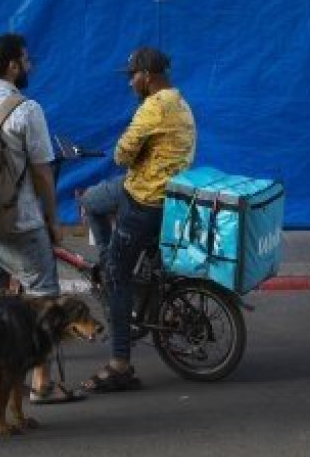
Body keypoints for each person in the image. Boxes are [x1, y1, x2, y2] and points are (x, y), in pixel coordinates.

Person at [0, 33, 79, 404]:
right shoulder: (27, 110)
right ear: (12, 65)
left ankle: (5, 384)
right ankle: (41, 383)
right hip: (21, 225)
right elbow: (42, 172)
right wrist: (53, 219)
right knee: (43, 300)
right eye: (26, 60)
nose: (29, 66)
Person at [80, 46, 196, 394]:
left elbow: (121, 154)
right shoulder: (180, 101)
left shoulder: (153, 107)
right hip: (166, 193)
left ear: (147, 76)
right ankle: (109, 260)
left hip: (146, 200)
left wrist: (134, 153)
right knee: (91, 201)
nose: (130, 81)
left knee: (118, 276)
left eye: (133, 75)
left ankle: (120, 365)